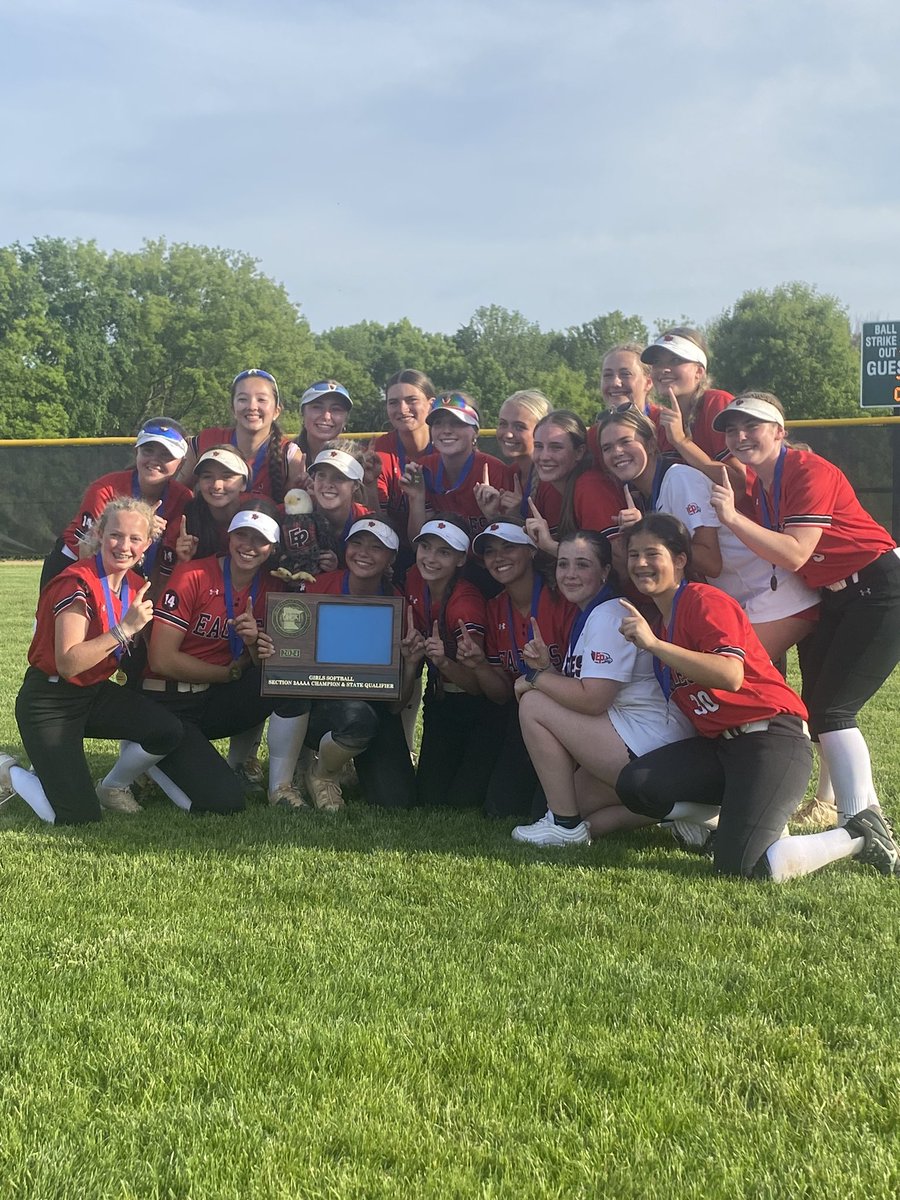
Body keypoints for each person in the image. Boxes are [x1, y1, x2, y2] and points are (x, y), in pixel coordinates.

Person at [614, 513, 900, 879]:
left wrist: (654, 646)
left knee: (744, 868)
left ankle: (856, 833)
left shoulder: (704, 601)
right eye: (633, 554)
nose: (640, 563)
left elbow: (730, 676)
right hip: (723, 748)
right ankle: (738, 822)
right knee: (636, 786)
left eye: (652, 553)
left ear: (680, 560)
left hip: (770, 738)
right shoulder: (660, 620)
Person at [708, 391, 900, 836]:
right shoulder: (764, 484)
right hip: (837, 595)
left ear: (780, 431)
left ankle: (862, 824)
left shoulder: (807, 469)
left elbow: (795, 553)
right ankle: (834, 805)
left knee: (834, 710)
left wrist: (732, 518)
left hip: (879, 587)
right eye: (732, 429)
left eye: (750, 426)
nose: (739, 436)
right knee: (821, 706)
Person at [5, 498, 184, 824]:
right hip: (49, 700)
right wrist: (124, 629)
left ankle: (113, 786)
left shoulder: (133, 584)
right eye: (116, 535)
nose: (124, 546)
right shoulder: (76, 582)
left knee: (167, 730)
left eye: (135, 539)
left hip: (91, 694)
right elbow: (69, 663)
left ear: (145, 546)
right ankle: (8, 771)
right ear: (100, 534)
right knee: (77, 817)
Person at [511, 531, 694, 846]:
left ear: (605, 572)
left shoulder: (608, 615)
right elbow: (583, 689)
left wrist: (535, 679)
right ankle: (683, 811)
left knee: (533, 705)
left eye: (582, 565)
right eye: (563, 564)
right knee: (571, 804)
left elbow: (594, 699)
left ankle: (564, 827)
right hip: (637, 736)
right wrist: (546, 670)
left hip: (650, 741)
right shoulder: (592, 613)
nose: (570, 574)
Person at [595, 408, 819, 658]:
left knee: (731, 680)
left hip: (777, 598)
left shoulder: (679, 479)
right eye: (607, 447)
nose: (617, 452)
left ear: (650, 443)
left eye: (626, 441)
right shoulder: (650, 494)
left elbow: (711, 562)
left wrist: (649, 529)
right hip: (747, 601)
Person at [141, 499, 311, 812]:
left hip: (213, 702)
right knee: (224, 801)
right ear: (229, 537)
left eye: (260, 539)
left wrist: (250, 644)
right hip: (170, 704)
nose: (249, 546)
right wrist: (228, 673)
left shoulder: (273, 587)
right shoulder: (193, 575)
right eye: (242, 535)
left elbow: (264, 665)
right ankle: (148, 758)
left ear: (272, 547)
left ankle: (280, 787)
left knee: (289, 678)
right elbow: (161, 660)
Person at [451, 519, 578, 817]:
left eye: (509, 547)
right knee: (500, 808)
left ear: (532, 551)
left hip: (572, 714)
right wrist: (480, 664)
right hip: (522, 716)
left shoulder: (564, 598)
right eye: (491, 551)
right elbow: (499, 695)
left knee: (540, 811)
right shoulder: (495, 608)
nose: (499, 557)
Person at [297, 518, 416, 812]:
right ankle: (320, 772)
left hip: (374, 705)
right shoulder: (318, 587)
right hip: (320, 704)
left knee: (397, 801)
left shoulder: (397, 602)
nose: (364, 553)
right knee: (354, 716)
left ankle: (349, 760)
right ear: (345, 547)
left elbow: (395, 705)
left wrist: (411, 665)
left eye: (377, 548)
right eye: (357, 543)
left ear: (391, 558)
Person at [401, 516, 505, 808]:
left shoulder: (465, 604)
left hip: (477, 708)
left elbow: (476, 687)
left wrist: (443, 662)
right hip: (440, 703)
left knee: (463, 802)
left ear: (461, 559)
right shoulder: (412, 577)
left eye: (444, 552)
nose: (430, 558)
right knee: (429, 799)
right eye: (426, 547)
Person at [40, 417, 193, 589]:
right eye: (148, 450)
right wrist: (138, 524)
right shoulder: (105, 489)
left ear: (181, 464)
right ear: (136, 452)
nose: (154, 460)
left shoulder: (183, 498)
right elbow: (86, 550)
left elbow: (167, 562)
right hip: (72, 565)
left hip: (133, 572)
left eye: (166, 455)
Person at [639, 328, 742, 492]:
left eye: (675, 360)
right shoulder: (662, 419)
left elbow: (738, 487)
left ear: (699, 372)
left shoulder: (717, 403)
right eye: (657, 362)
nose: (664, 369)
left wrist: (681, 442)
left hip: (741, 514)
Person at [180, 369, 303, 503]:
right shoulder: (207, 440)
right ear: (233, 409)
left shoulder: (288, 455)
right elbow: (176, 492)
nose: (252, 406)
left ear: (276, 411)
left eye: (261, 399)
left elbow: (298, 509)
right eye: (243, 399)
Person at [402, 392, 514, 540]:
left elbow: (509, 545)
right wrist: (416, 498)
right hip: (441, 560)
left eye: (457, 422)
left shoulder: (495, 471)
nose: (446, 430)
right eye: (438, 423)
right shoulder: (425, 468)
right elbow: (418, 545)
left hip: (485, 561)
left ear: (475, 431)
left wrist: (493, 516)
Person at [523, 411, 622, 557]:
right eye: (538, 446)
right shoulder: (550, 486)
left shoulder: (591, 488)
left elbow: (616, 559)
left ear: (579, 452)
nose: (544, 456)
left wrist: (550, 546)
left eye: (556, 447)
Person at [162, 444, 251, 576]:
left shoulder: (258, 514)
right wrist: (182, 562)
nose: (216, 485)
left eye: (227, 477)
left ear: (244, 483)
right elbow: (161, 588)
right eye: (207, 477)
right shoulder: (184, 526)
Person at [476, 389, 552, 522]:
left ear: (542, 431)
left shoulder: (551, 479)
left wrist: (519, 515)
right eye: (503, 424)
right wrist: (493, 515)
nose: (508, 434)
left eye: (519, 427)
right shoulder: (511, 473)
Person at [586, 343, 657, 464]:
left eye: (625, 374)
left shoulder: (666, 426)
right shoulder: (594, 435)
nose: (615, 383)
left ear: (648, 383)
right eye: (607, 375)